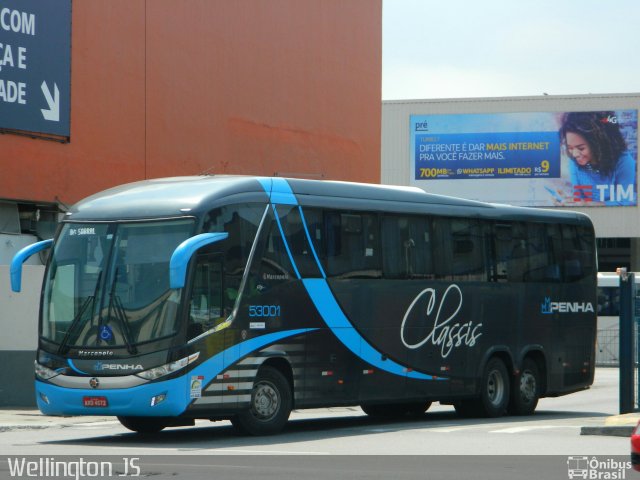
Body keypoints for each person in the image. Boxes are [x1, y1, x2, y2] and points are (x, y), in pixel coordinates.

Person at [559, 111, 636, 206]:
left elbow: (624, 202)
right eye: (570, 148)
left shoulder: (624, 161)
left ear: (598, 144)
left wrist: (587, 205)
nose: (574, 154)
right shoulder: (574, 161)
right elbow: (578, 197)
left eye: (581, 148)